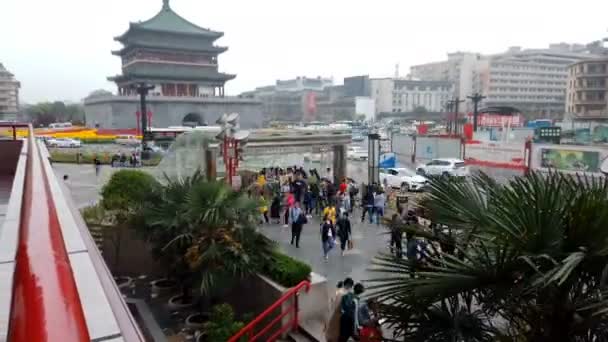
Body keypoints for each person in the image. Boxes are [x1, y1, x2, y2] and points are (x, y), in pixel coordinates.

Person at [326, 278, 354, 342]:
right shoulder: (345, 294)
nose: (350, 287)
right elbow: (343, 306)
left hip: (333, 313)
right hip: (339, 315)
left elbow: (332, 302)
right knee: (336, 332)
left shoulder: (338, 290)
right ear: (348, 285)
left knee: (331, 330)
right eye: (350, 286)